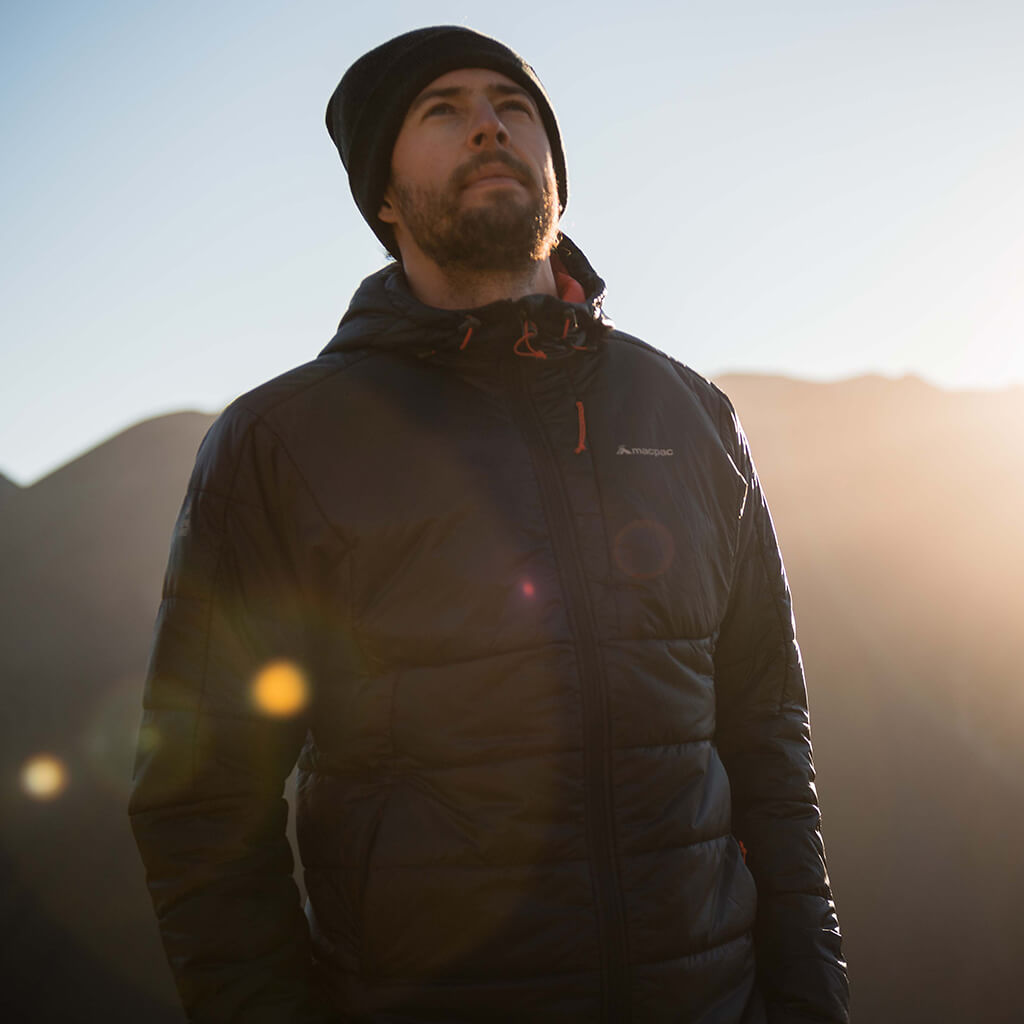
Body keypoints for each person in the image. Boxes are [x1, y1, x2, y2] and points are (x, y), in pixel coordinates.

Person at [130, 26, 849, 1024]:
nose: (486, 128)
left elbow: (768, 745)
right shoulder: (280, 443)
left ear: (555, 167)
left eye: (512, 107)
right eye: (442, 111)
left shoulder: (690, 414)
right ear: (381, 198)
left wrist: (811, 1001)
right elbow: (200, 802)